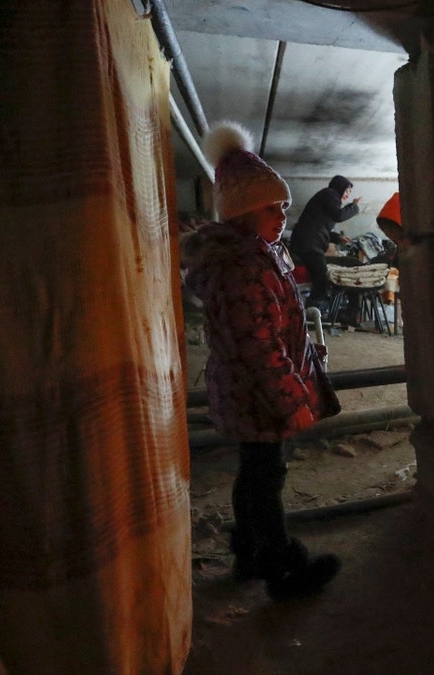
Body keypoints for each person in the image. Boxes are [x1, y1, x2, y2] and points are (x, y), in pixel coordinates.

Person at [186, 120, 342, 601]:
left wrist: (305, 351)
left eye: (283, 207)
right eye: (271, 208)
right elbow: (257, 347)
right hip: (256, 396)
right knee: (265, 480)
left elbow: (276, 327)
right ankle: (282, 569)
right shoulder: (243, 268)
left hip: (247, 394)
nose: (282, 216)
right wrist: (292, 398)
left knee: (255, 473)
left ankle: (249, 554)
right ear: (240, 213)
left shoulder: (258, 256)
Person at [290, 174, 361, 310]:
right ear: (339, 188)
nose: (347, 195)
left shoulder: (327, 198)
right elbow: (339, 215)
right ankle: (314, 310)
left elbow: (320, 226)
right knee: (321, 276)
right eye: (347, 191)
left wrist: (338, 238)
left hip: (308, 242)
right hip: (309, 244)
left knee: (320, 275)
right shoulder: (330, 194)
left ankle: (314, 310)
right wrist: (354, 206)